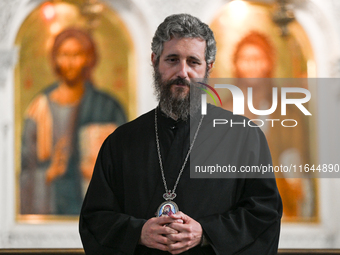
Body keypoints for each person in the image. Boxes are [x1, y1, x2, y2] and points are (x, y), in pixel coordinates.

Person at [79, 14, 282, 254]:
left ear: (209, 67)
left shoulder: (244, 136)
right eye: (173, 60)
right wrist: (138, 232)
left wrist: (206, 233)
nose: (182, 72)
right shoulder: (121, 141)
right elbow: (94, 220)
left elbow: (264, 215)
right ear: (155, 61)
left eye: (193, 62)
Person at [20, 28, 127, 215]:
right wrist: (48, 173)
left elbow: (127, 161)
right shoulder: (39, 108)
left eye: (77, 55)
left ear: (88, 59)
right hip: (52, 205)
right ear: (55, 58)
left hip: (93, 203)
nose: (69, 62)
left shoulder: (108, 107)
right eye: (63, 55)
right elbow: (25, 171)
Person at [224, 31, 314, 219]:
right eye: (245, 58)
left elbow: (295, 162)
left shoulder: (285, 111)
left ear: (268, 63)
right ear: (236, 63)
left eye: (257, 58)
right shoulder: (224, 110)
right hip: (233, 203)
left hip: (276, 201)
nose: (251, 64)